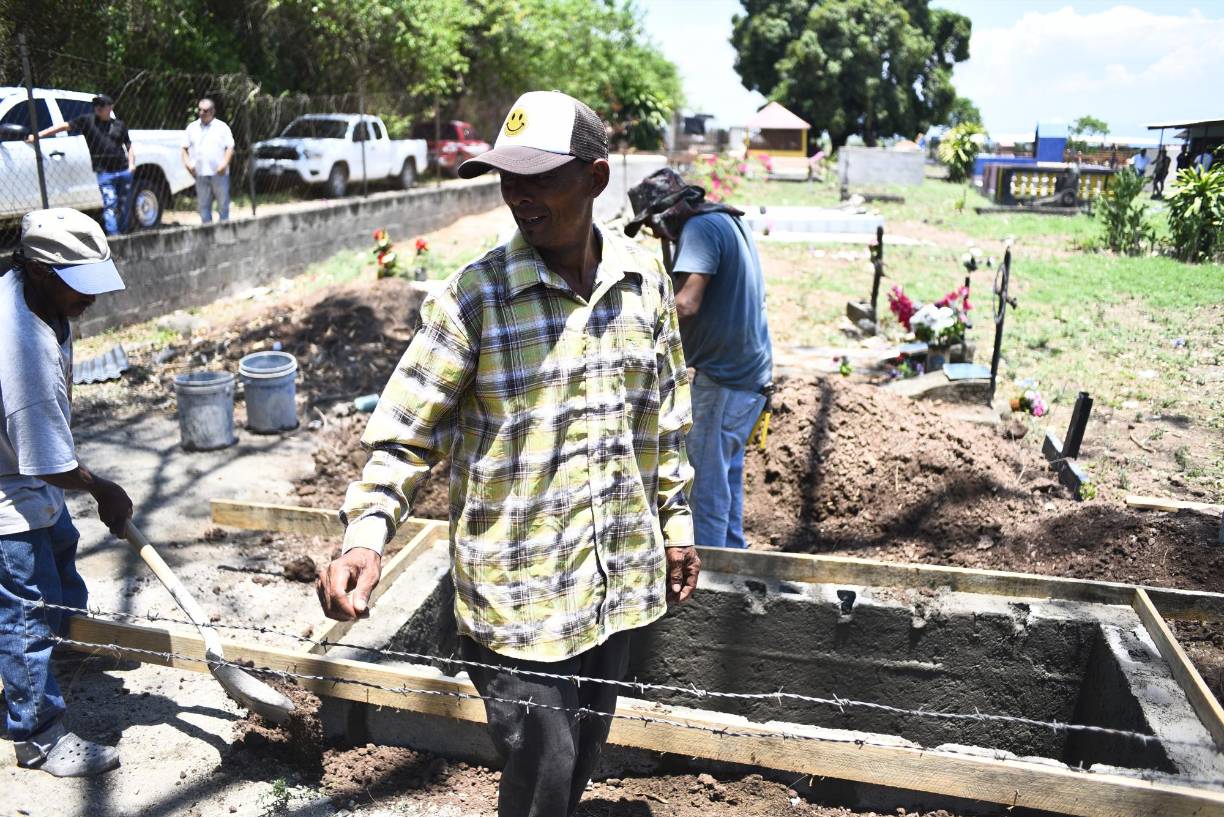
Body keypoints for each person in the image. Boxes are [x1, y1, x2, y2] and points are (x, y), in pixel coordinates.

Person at [316, 90, 700, 817]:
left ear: (594, 177)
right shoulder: (475, 299)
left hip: (613, 583)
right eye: (506, 176)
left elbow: (664, 420)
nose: (518, 194)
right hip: (520, 600)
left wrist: (676, 524)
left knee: (579, 755)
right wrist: (366, 539)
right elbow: (403, 434)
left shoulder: (642, 283)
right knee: (543, 765)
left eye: (539, 176)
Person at [0, 208, 133, 776]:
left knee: (60, 548)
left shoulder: (32, 296)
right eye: (80, 285)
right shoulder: (21, 348)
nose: (92, 298)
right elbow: (50, 463)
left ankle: (66, 646)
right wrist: (103, 488)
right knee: (25, 607)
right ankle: (38, 735)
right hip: (11, 488)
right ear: (39, 270)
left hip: (22, 469)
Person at [625, 169, 773, 551]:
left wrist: (636, 326)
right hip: (748, 378)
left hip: (724, 381)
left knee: (705, 488)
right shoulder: (727, 221)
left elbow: (687, 303)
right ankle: (734, 565)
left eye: (653, 228)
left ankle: (711, 582)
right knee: (725, 481)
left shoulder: (700, 229)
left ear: (665, 214)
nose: (657, 237)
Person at [28, 95, 134, 236]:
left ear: (111, 107)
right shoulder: (88, 121)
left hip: (123, 169)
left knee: (124, 204)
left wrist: (132, 164)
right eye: (96, 105)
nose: (98, 108)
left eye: (102, 105)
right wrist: (39, 135)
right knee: (110, 203)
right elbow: (65, 126)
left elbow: (129, 145)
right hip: (104, 172)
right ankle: (115, 236)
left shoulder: (119, 125)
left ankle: (125, 233)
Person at [182, 98, 235, 223]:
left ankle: (224, 234)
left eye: (205, 110)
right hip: (200, 174)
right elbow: (183, 149)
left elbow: (230, 147)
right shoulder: (192, 127)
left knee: (223, 207)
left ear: (212, 111)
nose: (201, 113)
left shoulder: (222, 127)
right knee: (204, 208)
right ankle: (207, 237)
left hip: (219, 174)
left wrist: (224, 164)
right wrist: (188, 165)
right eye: (199, 110)